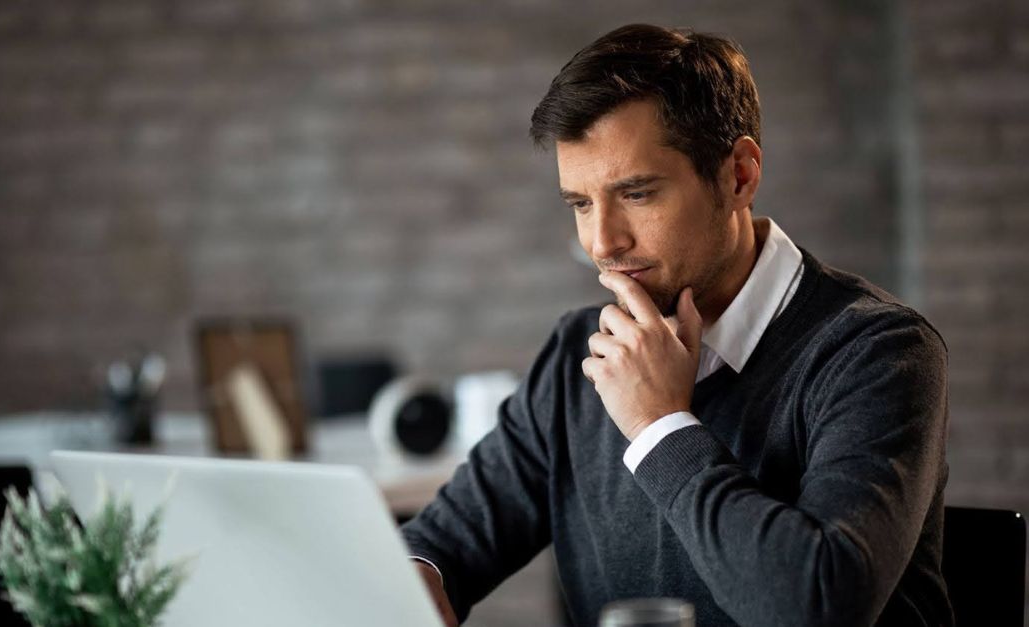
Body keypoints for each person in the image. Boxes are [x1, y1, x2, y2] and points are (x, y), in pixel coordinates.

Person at [401, 23, 953, 627]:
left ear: (739, 175)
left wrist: (658, 424)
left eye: (637, 194)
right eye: (581, 205)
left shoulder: (880, 352)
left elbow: (815, 608)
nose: (601, 243)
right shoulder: (575, 357)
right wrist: (406, 583)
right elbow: (442, 547)